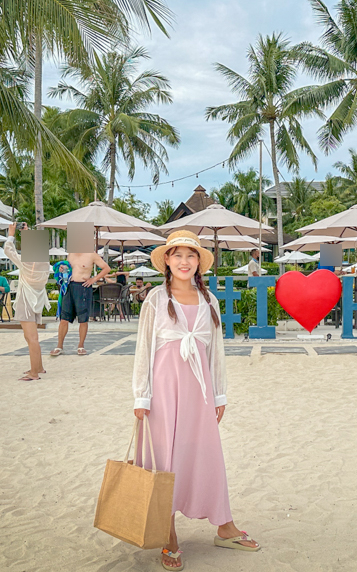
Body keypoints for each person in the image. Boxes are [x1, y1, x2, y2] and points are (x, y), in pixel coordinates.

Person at [133, 230, 260, 569]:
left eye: (191, 256)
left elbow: (215, 351)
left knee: (206, 453)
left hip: (200, 391)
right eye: (177, 255)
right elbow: (143, 350)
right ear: (167, 262)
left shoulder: (209, 302)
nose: (184, 262)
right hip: (162, 391)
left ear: (198, 263)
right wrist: (141, 396)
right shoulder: (156, 300)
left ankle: (224, 525)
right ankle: (168, 533)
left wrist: (220, 393)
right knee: (165, 459)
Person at [4, 223, 51, 381]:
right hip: (36, 299)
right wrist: (27, 233)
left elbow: (8, 250)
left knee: (31, 338)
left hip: (26, 299)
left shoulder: (26, 263)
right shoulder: (44, 264)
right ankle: (38, 367)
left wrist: (11, 234)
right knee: (31, 337)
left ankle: (34, 373)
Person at [52, 245, 111, 357]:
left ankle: (81, 345)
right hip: (69, 286)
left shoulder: (91, 254)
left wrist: (93, 279)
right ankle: (59, 346)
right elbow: (68, 270)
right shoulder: (71, 253)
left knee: (83, 318)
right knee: (64, 318)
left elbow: (106, 268)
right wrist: (62, 270)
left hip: (83, 286)